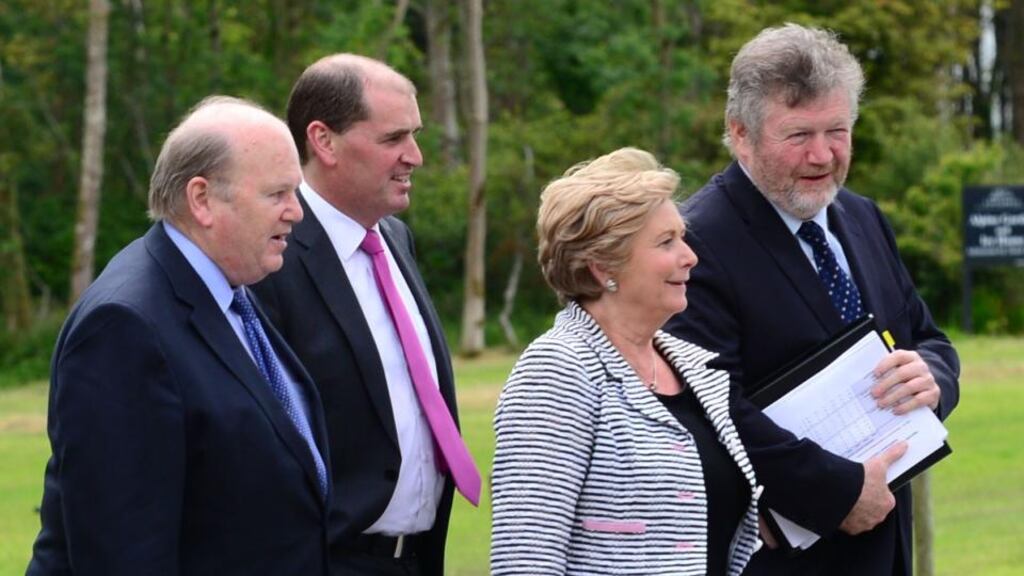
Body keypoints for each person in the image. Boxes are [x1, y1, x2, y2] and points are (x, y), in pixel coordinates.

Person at [490, 147, 905, 576]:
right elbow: (525, 560)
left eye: (682, 237)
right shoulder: (556, 371)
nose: (690, 257)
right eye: (666, 242)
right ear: (601, 267)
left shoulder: (695, 368)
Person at [664, 23, 960, 575]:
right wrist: (839, 493)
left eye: (838, 130)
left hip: (888, 546)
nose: (822, 155)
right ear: (740, 133)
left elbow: (926, 336)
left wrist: (934, 380)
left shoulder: (863, 216)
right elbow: (710, 410)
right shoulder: (693, 244)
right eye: (798, 135)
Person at [26, 96, 331, 575]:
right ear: (202, 199)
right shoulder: (124, 327)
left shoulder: (231, 290)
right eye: (277, 194)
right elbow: (124, 552)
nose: (297, 212)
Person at [251, 54, 480, 576]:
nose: (415, 156)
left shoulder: (395, 239)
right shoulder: (270, 259)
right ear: (323, 140)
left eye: (415, 135)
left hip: (419, 557)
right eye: (393, 139)